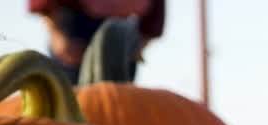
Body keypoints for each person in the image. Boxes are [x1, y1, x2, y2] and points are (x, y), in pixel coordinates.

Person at [28, 0, 165, 82]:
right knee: (71, 95)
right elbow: (42, 5)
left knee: (117, 98)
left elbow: (152, 25)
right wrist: (58, 38)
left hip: (121, 32)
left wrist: (135, 49)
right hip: (74, 32)